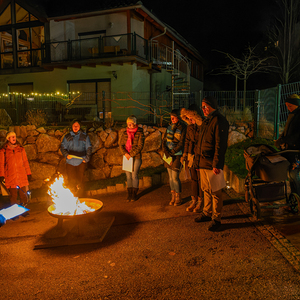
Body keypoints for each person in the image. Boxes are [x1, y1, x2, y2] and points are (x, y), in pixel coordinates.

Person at [193, 96, 229, 231]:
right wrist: (197, 163)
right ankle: (207, 213)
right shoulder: (206, 121)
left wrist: (217, 164)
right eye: (202, 107)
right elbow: (200, 143)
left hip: (212, 163)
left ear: (212, 106)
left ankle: (216, 218)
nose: (203, 109)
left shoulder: (219, 121)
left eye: (205, 106)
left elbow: (220, 145)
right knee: (206, 189)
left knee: (216, 192)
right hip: (203, 162)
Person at [275, 94, 300, 195]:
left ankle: (297, 198)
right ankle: (294, 199)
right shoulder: (293, 114)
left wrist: (284, 140)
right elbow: (288, 130)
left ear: (296, 105)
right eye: (287, 106)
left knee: (294, 174)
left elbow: (297, 135)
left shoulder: (298, 116)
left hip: (296, 150)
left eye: (290, 106)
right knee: (291, 175)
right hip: (290, 149)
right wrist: (281, 139)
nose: (288, 108)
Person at [180, 104, 204, 212]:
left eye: (191, 116)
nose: (190, 119)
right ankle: (194, 199)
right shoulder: (189, 127)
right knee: (193, 179)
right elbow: (187, 141)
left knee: (200, 180)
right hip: (191, 156)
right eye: (188, 117)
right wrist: (185, 154)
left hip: (200, 156)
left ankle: (201, 201)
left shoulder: (202, 126)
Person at [61, 119, 92, 196]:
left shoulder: (84, 136)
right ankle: (72, 196)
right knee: (71, 180)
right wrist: (66, 155)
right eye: (74, 126)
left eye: (77, 126)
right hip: (70, 162)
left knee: (80, 180)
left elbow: (89, 147)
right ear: (71, 126)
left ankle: (81, 196)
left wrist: (87, 158)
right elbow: (62, 147)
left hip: (81, 162)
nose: (75, 127)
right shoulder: (67, 137)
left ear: (79, 126)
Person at [162, 109, 186, 206]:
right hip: (168, 155)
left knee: (175, 177)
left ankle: (178, 197)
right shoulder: (169, 127)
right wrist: (166, 152)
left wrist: (172, 152)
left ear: (178, 117)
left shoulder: (183, 127)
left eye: (174, 116)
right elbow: (164, 141)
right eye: (171, 116)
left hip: (177, 155)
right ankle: (172, 196)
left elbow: (182, 143)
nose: (172, 118)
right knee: (170, 178)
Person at [0, 131, 31, 206]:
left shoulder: (21, 149)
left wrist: (28, 173)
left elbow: (25, 162)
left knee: (23, 194)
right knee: (13, 196)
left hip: (21, 175)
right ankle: (14, 213)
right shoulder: (3, 151)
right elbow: (1, 164)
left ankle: (23, 210)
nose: (14, 138)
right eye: (12, 136)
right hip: (10, 176)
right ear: (8, 139)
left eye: (14, 136)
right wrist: (1, 175)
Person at [119, 115, 144, 201]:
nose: (129, 125)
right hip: (127, 157)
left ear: (134, 123)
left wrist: (131, 154)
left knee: (134, 175)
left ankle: (134, 194)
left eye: (131, 123)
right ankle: (129, 193)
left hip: (136, 157)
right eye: (128, 124)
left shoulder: (140, 132)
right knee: (128, 176)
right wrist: (125, 153)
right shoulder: (125, 133)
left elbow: (140, 146)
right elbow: (121, 144)